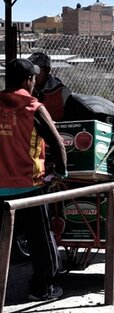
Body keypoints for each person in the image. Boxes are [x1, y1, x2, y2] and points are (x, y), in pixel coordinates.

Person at [0, 58, 67, 301]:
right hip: (29, 186)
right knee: (41, 239)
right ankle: (42, 289)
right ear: (29, 81)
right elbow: (58, 144)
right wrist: (61, 172)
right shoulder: (33, 107)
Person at [28, 52, 72, 121]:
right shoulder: (25, 89)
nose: (34, 74)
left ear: (47, 70)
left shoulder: (61, 92)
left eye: (37, 70)